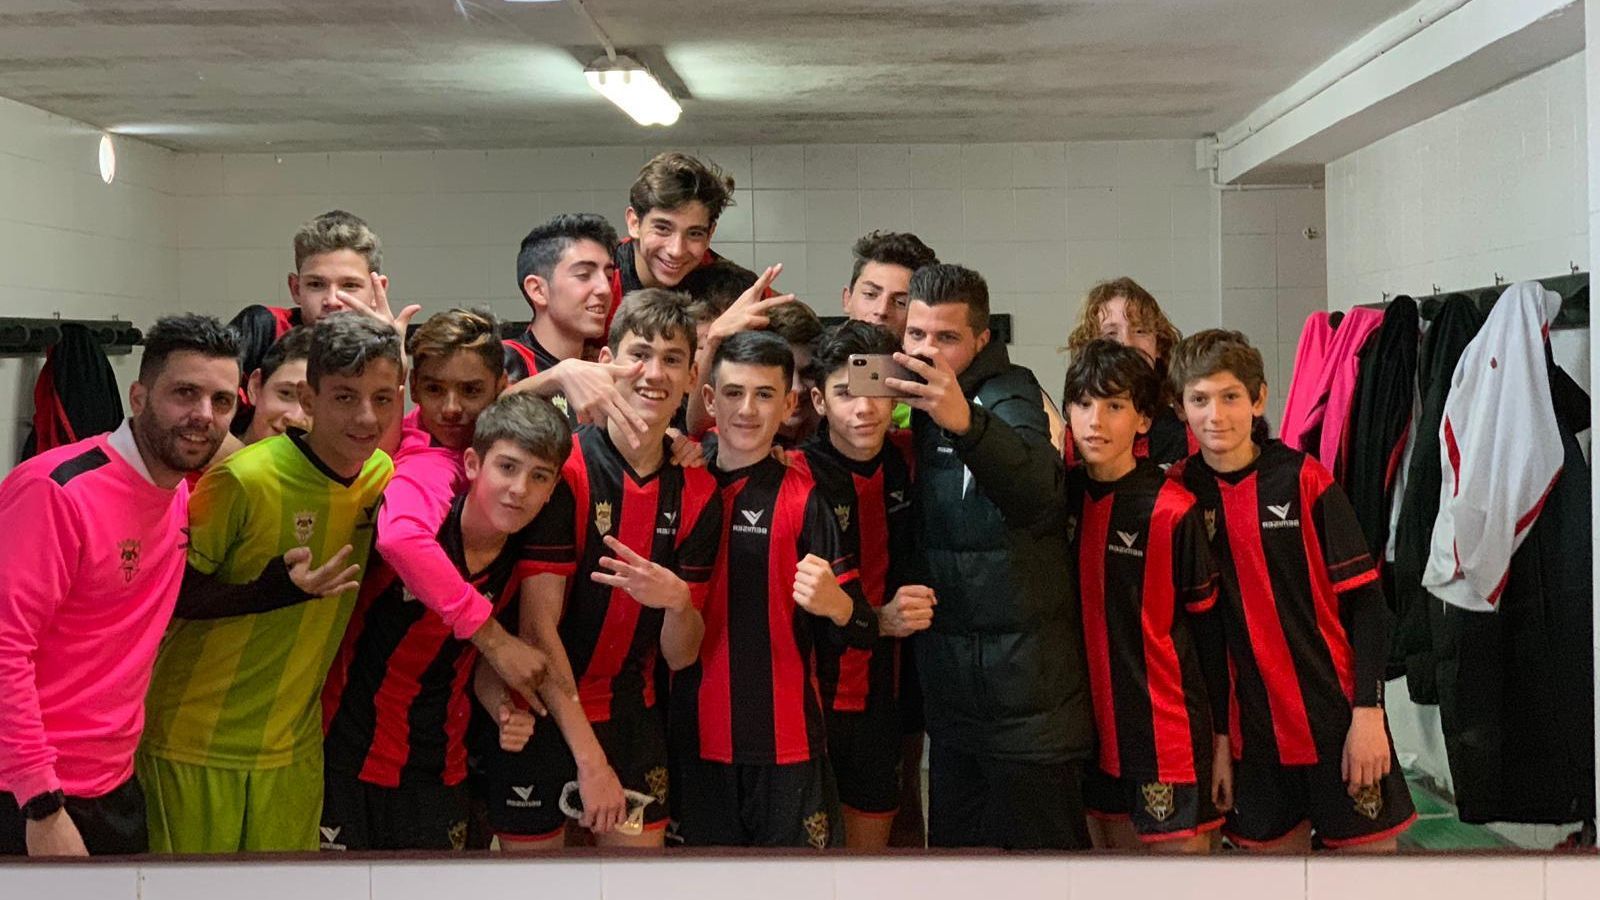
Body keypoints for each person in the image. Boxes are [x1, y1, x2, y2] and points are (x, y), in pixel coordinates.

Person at [137, 313, 403, 854]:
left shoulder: (382, 475)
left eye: (382, 398)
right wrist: (267, 593)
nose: (367, 417)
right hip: (194, 743)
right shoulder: (242, 478)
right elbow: (168, 596)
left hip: (292, 749)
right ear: (308, 400)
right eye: (345, 397)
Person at [480, 289, 722, 850]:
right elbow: (539, 629)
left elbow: (681, 654)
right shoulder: (562, 469)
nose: (653, 373)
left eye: (672, 359)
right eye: (639, 354)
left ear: (691, 378)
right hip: (538, 709)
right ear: (607, 363)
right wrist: (590, 762)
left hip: (631, 718)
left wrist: (678, 601)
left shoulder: (700, 488)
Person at [0, 315, 241, 856]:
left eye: (221, 401)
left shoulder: (175, 491)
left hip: (113, 782)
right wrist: (39, 803)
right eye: (185, 393)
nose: (203, 416)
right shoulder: (56, 490)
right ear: (138, 396)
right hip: (27, 792)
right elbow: (4, 648)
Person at [1167, 329, 1415, 852]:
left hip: (1338, 725)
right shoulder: (1177, 497)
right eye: (1199, 400)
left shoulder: (1305, 480)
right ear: (1180, 408)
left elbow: (1368, 606)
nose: (1216, 415)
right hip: (1249, 743)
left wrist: (1369, 713)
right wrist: (1217, 743)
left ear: (1258, 399)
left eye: (1230, 397)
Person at [884, 263, 1090, 850]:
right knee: (957, 874)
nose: (928, 350)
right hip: (956, 711)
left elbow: (1040, 498)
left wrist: (967, 422)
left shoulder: (1014, 392)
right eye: (917, 335)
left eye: (946, 338)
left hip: (1030, 713)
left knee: (1051, 883)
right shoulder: (914, 402)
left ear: (981, 340)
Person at [320, 390, 573, 851]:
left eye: (539, 477)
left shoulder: (523, 556)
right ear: (473, 464)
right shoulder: (426, 519)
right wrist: (495, 641)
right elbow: (396, 541)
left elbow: (479, 665)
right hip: (344, 754)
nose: (519, 489)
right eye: (508, 468)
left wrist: (501, 708)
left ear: (552, 489)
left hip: (440, 766)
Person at [672, 330, 877, 848]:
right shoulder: (677, 482)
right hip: (690, 744)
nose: (748, 409)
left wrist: (838, 606)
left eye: (765, 394)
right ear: (711, 400)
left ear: (788, 404)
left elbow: (862, 631)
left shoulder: (807, 500)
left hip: (788, 747)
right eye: (735, 393)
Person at [1062, 340, 1228, 853]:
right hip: (1088, 740)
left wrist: (1221, 743)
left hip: (1170, 741)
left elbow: (1210, 636)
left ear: (1142, 420)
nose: (1096, 421)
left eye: (1114, 406)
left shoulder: (1173, 510)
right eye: (1084, 404)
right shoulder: (1057, 499)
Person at [794, 320, 932, 849]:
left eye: (876, 389)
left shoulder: (910, 459)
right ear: (819, 400)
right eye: (846, 393)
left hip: (885, 702)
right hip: (808, 702)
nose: (864, 408)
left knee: (871, 864)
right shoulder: (794, 470)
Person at [227, 210, 386, 436]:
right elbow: (203, 419)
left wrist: (394, 351)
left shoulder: (383, 349)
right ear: (295, 288)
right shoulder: (264, 326)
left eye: (350, 285)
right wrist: (252, 468)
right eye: (316, 284)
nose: (332, 301)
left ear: (376, 291)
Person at [504, 214, 652, 448]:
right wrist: (557, 376)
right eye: (584, 275)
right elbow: (477, 418)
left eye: (609, 276)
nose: (605, 288)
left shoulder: (606, 366)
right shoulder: (504, 358)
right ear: (538, 290)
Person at [1062, 277, 1192, 467]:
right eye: (1110, 334)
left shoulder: (1183, 432)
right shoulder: (1069, 438)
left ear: (1159, 346)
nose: (1127, 344)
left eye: (1140, 331)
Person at [613, 152, 739, 307]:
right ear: (634, 223)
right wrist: (713, 332)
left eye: (694, 234)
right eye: (662, 229)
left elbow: (775, 309)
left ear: (709, 235)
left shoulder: (726, 282)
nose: (676, 251)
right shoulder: (599, 278)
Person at [839, 231, 939, 341]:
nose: (882, 311)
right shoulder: (818, 355)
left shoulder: (934, 356)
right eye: (870, 294)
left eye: (901, 302)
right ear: (847, 299)